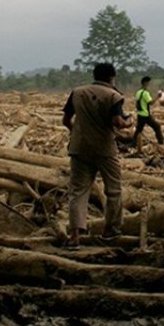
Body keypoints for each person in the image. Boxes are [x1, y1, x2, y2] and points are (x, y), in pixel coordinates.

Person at [61, 62, 133, 249]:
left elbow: (66, 120)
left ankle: (74, 236)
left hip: (79, 148)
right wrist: (129, 122)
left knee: (78, 191)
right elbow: (117, 122)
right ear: (112, 77)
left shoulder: (77, 92)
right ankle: (111, 229)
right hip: (104, 149)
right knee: (113, 189)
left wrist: (75, 132)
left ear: (95, 75)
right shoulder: (114, 95)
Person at [133, 76, 164, 147]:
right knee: (157, 126)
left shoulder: (138, 92)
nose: (148, 84)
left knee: (138, 130)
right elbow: (151, 102)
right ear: (144, 83)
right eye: (148, 83)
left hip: (139, 114)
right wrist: (158, 96)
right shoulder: (145, 93)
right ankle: (161, 143)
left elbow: (136, 103)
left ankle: (133, 144)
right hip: (145, 115)